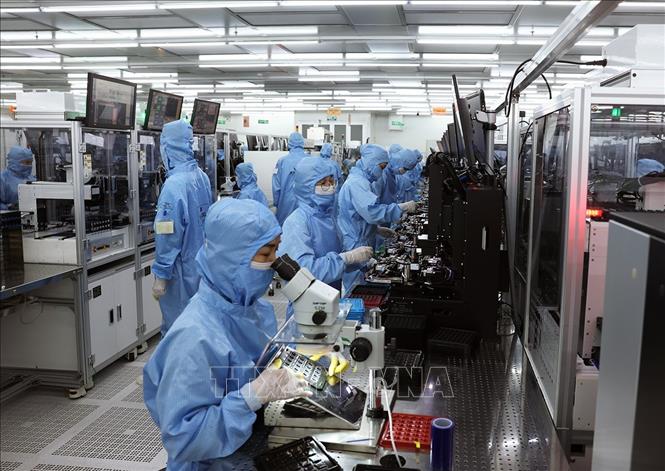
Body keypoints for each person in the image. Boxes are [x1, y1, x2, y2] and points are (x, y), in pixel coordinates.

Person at [144, 199, 311, 470]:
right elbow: (185, 438)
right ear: (233, 258)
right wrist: (250, 397)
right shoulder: (194, 337)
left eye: (276, 250)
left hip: (248, 445)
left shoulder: (254, 310)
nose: (274, 263)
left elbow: (262, 366)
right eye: (266, 253)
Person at [151, 120, 213, 336]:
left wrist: (161, 274)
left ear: (168, 147)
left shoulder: (174, 185)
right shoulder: (202, 176)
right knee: (199, 326)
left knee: (178, 331)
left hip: (179, 272)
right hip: (200, 266)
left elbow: (168, 233)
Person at [278, 157, 373, 291]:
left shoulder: (328, 217)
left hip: (331, 294)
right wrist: (346, 258)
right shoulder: (297, 222)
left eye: (331, 181)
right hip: (308, 299)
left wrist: (360, 262)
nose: (330, 187)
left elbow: (338, 260)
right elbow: (302, 273)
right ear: (306, 187)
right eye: (323, 183)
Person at [337, 144, 417, 291]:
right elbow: (372, 212)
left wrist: (376, 230)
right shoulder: (357, 183)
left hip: (361, 240)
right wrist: (402, 208)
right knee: (356, 291)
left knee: (363, 287)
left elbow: (359, 216)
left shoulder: (362, 181)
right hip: (355, 245)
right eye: (381, 167)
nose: (382, 171)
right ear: (370, 163)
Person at [272, 132, 307, 225]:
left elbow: (276, 186)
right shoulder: (310, 160)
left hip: (285, 203)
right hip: (304, 204)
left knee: (285, 227)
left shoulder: (281, 161)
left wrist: (277, 202)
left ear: (289, 143)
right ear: (302, 143)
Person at [0, 146, 35, 210]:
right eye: (27, 162)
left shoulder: (32, 178)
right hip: (10, 215)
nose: (30, 165)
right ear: (14, 161)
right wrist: (9, 207)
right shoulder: (2, 179)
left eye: (31, 162)